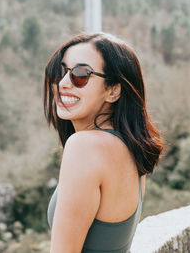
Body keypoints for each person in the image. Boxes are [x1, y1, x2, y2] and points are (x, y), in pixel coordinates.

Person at [43, 32, 165, 252]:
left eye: (80, 75)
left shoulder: (84, 147)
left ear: (113, 90)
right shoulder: (130, 147)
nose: (63, 83)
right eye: (61, 72)